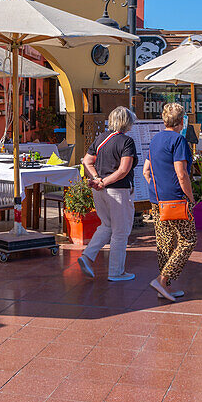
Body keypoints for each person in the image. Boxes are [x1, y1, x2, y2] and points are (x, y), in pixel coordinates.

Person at [143, 102, 197, 302]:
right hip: (176, 199)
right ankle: (162, 279)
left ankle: (163, 287)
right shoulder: (179, 141)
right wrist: (190, 198)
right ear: (182, 121)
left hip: (156, 200)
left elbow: (146, 171)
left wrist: (158, 188)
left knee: (165, 243)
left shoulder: (155, 139)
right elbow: (181, 174)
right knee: (187, 240)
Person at [79, 106, 138, 282]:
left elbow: (87, 161)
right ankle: (116, 272)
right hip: (118, 190)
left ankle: (87, 256)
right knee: (121, 231)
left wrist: (97, 179)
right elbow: (123, 170)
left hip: (100, 190)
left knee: (106, 225)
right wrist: (103, 181)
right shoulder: (127, 142)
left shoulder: (101, 138)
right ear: (127, 122)